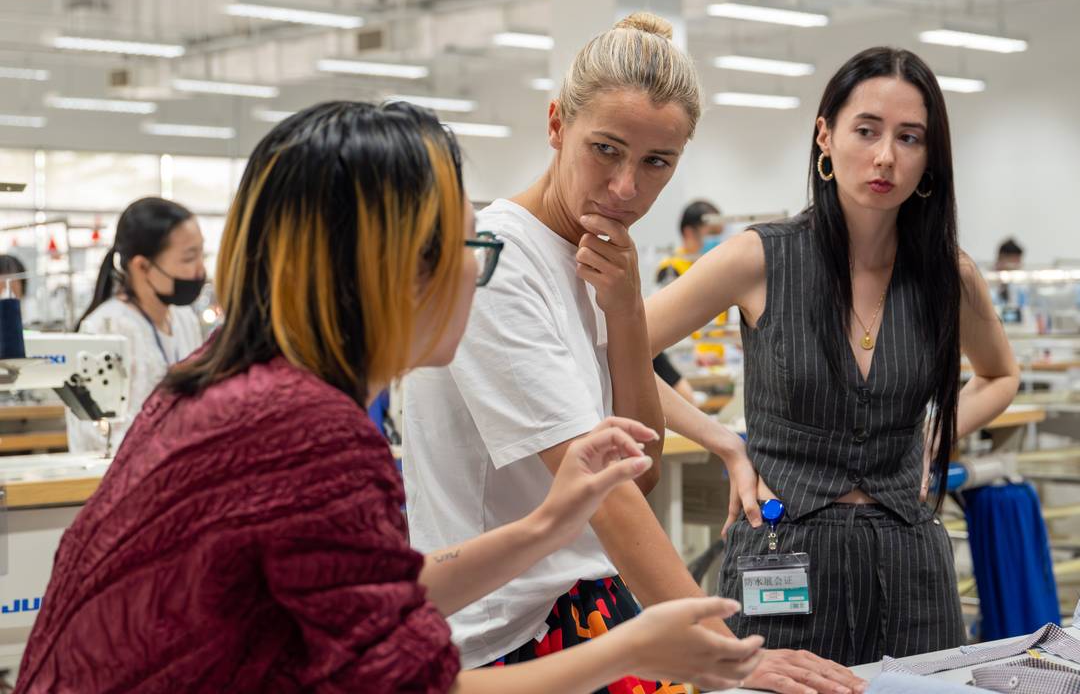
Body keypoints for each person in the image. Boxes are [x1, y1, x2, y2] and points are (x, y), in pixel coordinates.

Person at [15, 101, 766, 694]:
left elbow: (380, 594)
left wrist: (543, 525)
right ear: (389, 266)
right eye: (470, 249)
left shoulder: (232, 377)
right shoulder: (306, 431)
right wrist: (632, 649)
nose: (478, 276)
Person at [404, 13, 864, 694]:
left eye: (656, 163)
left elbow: (641, 467)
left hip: (586, 599)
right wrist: (727, 653)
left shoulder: (595, 255)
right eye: (606, 150)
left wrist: (625, 312)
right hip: (505, 629)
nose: (626, 188)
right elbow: (610, 497)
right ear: (557, 125)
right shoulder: (502, 263)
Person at [647, 47, 1020, 666]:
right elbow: (617, 351)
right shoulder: (760, 258)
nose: (885, 157)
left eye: (910, 138)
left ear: (930, 158)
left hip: (911, 572)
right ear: (825, 135)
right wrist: (725, 443)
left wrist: (932, 439)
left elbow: (1001, 374)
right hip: (781, 558)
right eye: (866, 130)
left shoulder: (945, 276)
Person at [66, 197, 206, 454]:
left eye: (202, 254)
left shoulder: (184, 320)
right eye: (189, 259)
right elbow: (93, 435)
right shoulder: (105, 328)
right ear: (142, 266)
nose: (200, 270)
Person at [653, 199, 727, 403]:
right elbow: (664, 330)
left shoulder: (714, 267)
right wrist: (695, 359)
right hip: (687, 378)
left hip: (718, 371)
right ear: (688, 233)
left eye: (720, 233)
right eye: (711, 233)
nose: (718, 239)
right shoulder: (671, 269)